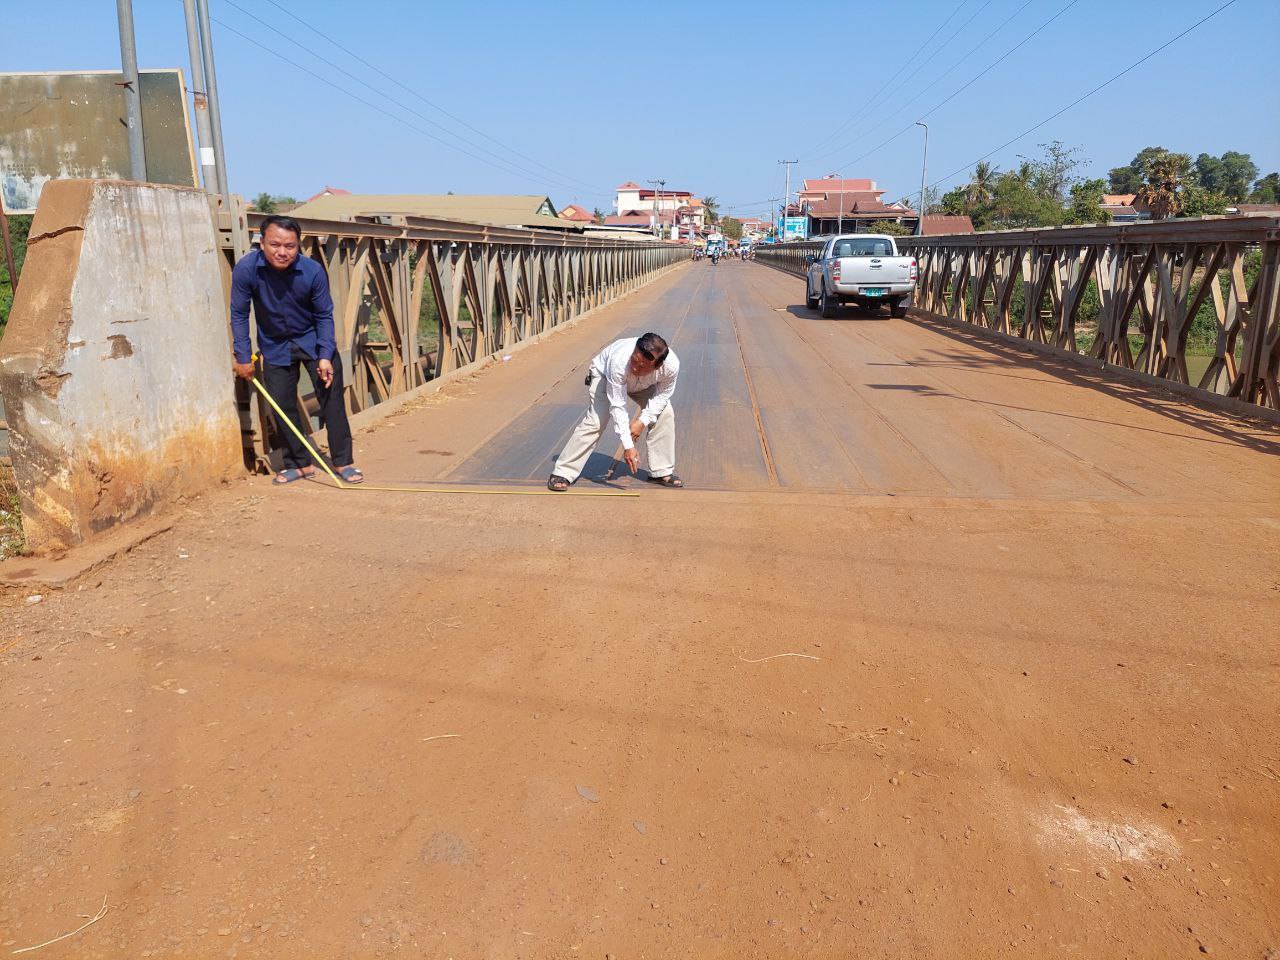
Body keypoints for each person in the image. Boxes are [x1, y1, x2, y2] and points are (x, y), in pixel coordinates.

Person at [230, 215, 364, 485]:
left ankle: (343, 462)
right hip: (275, 344)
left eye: (290, 246)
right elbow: (239, 313)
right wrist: (243, 357)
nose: (282, 252)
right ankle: (298, 464)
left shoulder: (312, 271)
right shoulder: (247, 269)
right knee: (281, 404)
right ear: (262, 241)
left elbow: (325, 315)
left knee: (332, 402)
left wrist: (325, 355)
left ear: (298, 244)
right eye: (275, 244)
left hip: (314, 342)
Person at [547, 333, 682, 491]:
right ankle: (563, 472)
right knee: (597, 420)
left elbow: (662, 396)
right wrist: (628, 445)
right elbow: (618, 405)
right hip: (606, 377)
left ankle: (661, 472)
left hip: (644, 384)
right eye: (634, 360)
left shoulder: (671, 366)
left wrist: (642, 421)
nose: (635, 367)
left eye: (642, 366)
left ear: (657, 367)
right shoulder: (620, 360)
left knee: (665, 413)